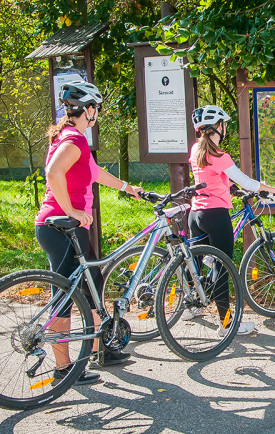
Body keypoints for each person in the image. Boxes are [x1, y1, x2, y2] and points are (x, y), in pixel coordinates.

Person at [35, 81, 144, 385]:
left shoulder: (70, 138)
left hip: (64, 228)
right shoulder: (74, 140)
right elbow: (54, 173)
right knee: (65, 297)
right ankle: (64, 369)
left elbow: (95, 172)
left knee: (91, 286)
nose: (98, 113)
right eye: (97, 108)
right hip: (62, 227)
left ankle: (101, 350)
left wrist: (128, 188)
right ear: (89, 110)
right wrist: (70, 210)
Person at [188, 105, 275, 336]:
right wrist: (273, 189)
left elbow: (210, 177)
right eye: (224, 125)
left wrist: (230, 188)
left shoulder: (196, 150)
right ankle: (227, 325)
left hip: (196, 215)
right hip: (215, 215)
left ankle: (191, 305)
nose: (225, 128)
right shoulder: (220, 156)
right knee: (223, 269)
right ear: (218, 127)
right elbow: (247, 182)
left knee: (196, 263)